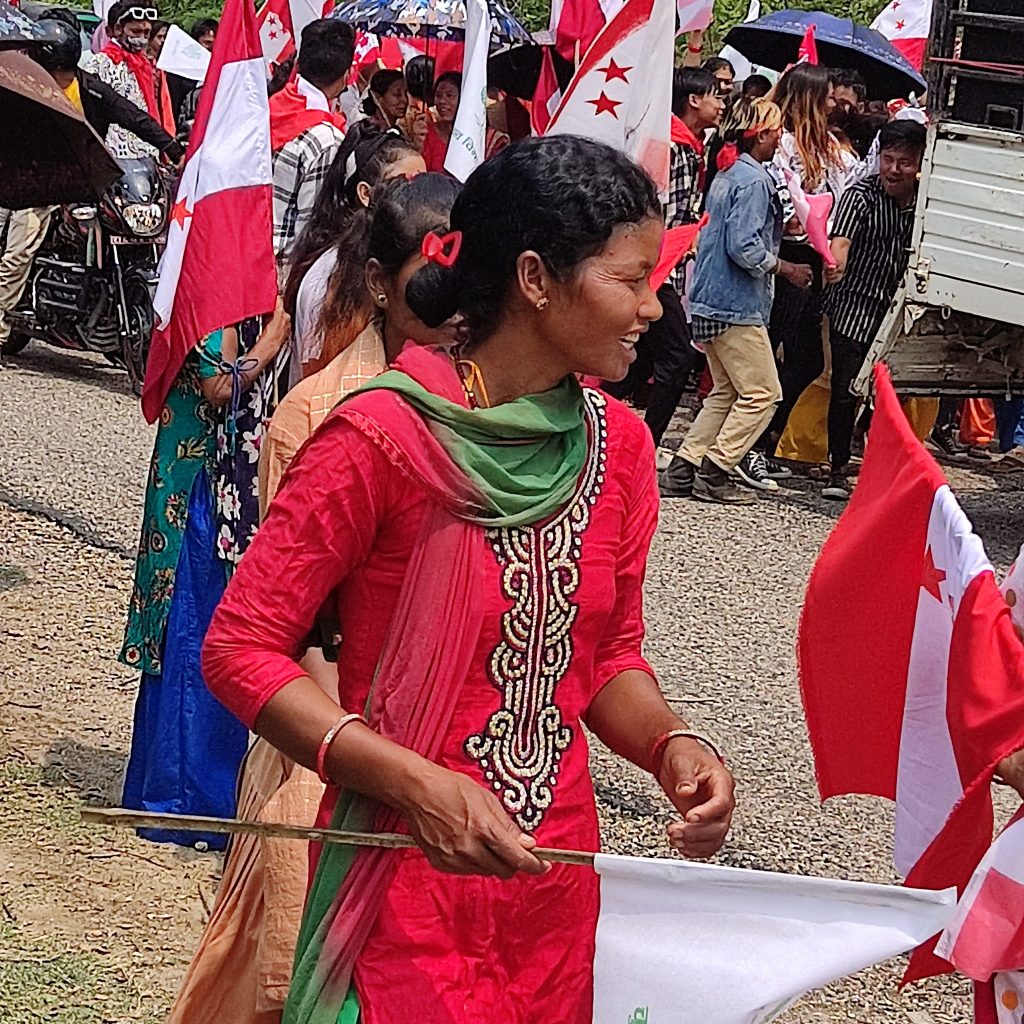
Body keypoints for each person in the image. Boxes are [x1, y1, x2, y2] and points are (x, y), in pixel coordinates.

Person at [202, 135, 735, 1023]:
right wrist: (415, 785)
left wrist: (673, 746)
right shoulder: (379, 439)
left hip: (549, 888)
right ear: (535, 279)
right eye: (632, 279)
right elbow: (240, 649)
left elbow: (606, 657)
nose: (653, 307)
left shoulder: (619, 449)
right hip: (402, 887)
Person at [166, 173, 461, 1024]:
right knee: (299, 950)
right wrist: (343, 748)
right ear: (379, 284)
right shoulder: (318, 413)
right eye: (434, 277)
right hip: (327, 718)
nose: (454, 303)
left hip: (443, 730)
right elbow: (289, 618)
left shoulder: (490, 408)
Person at [119, 304, 290, 849]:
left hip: (215, 481)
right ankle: (185, 803)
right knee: (198, 635)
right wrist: (274, 336)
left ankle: (183, 794)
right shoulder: (215, 291)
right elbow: (219, 385)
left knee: (198, 634)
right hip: (200, 486)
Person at [0, 16, 184, 357]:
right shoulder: (21, 87)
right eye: (54, 72)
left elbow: (133, 117)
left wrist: (173, 149)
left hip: (89, 183)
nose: (60, 80)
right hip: (40, 185)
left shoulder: (91, 87)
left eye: (64, 72)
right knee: (20, 251)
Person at [660, 99, 812, 504]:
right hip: (735, 302)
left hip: (709, 297)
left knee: (726, 391)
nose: (780, 137)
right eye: (776, 130)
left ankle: (684, 466)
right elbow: (745, 247)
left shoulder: (727, 173)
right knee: (764, 393)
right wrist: (786, 268)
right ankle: (716, 469)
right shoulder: (754, 181)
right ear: (760, 135)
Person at [748, 64, 858, 482]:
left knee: (809, 358)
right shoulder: (781, 143)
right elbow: (780, 198)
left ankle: (766, 438)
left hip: (817, 257)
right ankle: (749, 445)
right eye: (827, 95)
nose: (834, 103)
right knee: (773, 346)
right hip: (785, 257)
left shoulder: (828, 145)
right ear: (810, 98)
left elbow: (851, 181)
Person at [605, 68, 723, 449]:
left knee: (640, 356)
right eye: (715, 95)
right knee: (677, 355)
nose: (721, 104)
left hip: (668, 263)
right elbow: (663, 209)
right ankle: (646, 440)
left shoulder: (692, 146)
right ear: (693, 100)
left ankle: (606, 422)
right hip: (659, 266)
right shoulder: (673, 146)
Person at [820, 120, 926, 501]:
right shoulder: (860, 195)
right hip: (854, 304)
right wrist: (835, 264)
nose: (894, 170)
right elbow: (841, 241)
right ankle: (837, 468)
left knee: (890, 395)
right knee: (846, 389)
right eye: (888, 159)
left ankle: (875, 465)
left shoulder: (926, 201)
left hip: (897, 312)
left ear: (920, 163)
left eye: (904, 162)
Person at [285, 133, 426, 383]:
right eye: (402, 184)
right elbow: (315, 377)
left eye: (422, 184)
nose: (415, 198)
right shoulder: (328, 277)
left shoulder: (407, 263)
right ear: (365, 193)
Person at [270, 19, 355, 279]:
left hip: (248, 256)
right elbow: (309, 230)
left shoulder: (269, 107)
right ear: (347, 73)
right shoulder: (326, 140)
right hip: (283, 275)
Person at [82, 0, 168, 159]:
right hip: (115, 154)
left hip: (147, 151)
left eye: (146, 33)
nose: (142, 38)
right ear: (117, 29)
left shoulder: (145, 64)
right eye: (135, 31)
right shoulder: (99, 64)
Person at [422, 71, 510, 173]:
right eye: (438, 95)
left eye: (449, 95)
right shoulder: (427, 133)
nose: (442, 101)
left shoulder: (490, 140)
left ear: (464, 98)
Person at [144, 18, 175, 134]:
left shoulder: (169, 62)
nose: (163, 41)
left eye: (165, 37)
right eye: (159, 37)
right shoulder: (144, 63)